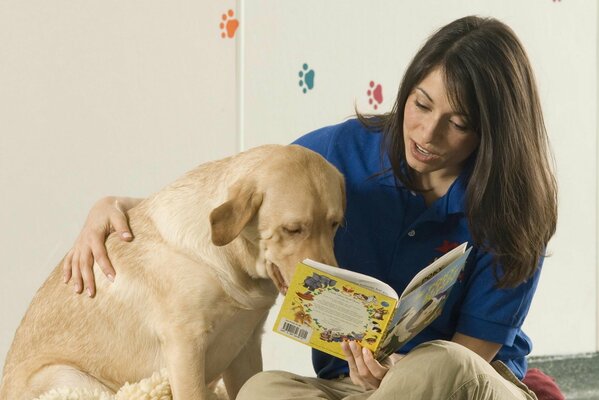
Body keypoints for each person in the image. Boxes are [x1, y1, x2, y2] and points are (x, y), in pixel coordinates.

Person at [64, 16, 557, 399]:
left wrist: (396, 373)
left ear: (492, 131)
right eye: (421, 104)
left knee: (439, 363)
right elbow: (234, 194)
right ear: (407, 91)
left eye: (458, 122)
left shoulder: (512, 212)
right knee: (261, 390)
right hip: (352, 386)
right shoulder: (333, 157)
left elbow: (470, 358)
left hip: (463, 384)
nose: (427, 134)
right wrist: (115, 208)